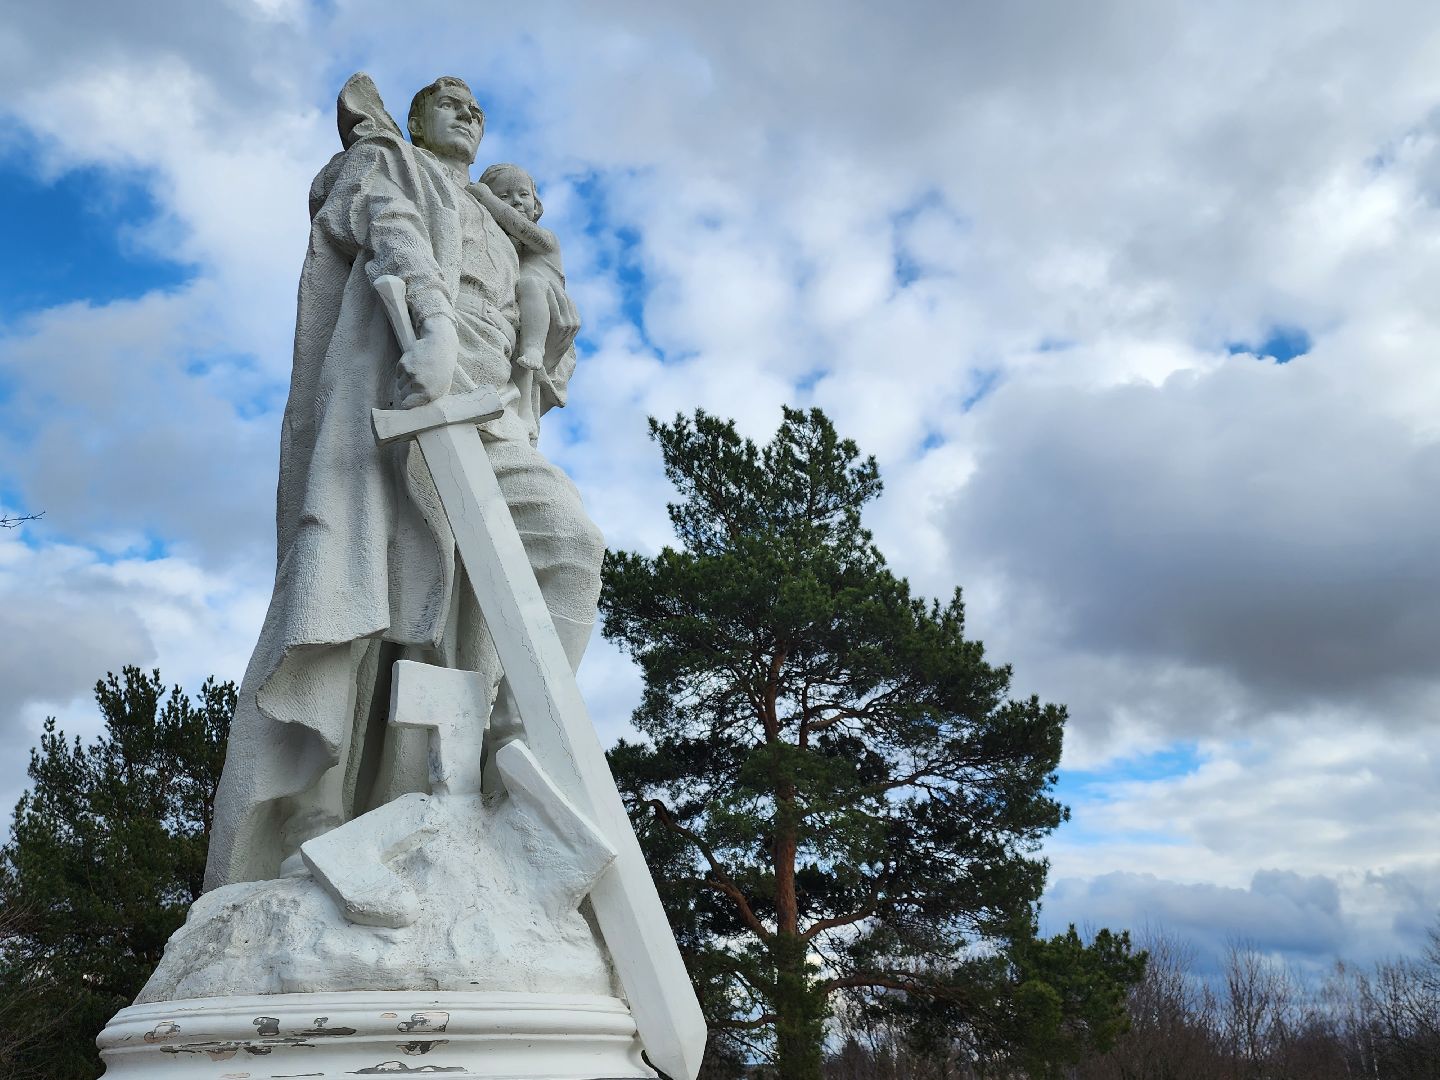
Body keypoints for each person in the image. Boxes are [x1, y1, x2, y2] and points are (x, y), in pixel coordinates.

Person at [203, 73, 603, 890]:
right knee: (361, 597)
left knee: (567, 544)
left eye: (480, 109)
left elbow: (552, 344)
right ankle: (318, 810)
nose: (470, 114)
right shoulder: (387, 161)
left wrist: (546, 323)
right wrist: (431, 325)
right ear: (418, 117)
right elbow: (385, 226)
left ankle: (514, 749)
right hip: (402, 389)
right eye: (451, 102)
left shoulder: (512, 231)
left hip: (488, 410)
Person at [468, 164, 576, 436]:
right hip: (523, 312)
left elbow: (521, 229)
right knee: (522, 363)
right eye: (504, 196)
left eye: (522, 194)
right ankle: (525, 410)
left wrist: (487, 198)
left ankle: (535, 350)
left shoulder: (545, 237)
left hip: (545, 301)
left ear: (536, 203)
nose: (515, 201)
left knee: (529, 287)